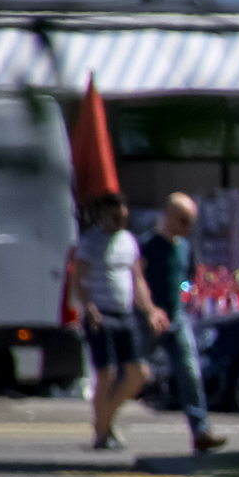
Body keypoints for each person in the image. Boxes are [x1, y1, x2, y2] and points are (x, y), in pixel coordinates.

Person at [71, 192, 168, 451]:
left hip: (125, 314)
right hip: (100, 315)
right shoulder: (90, 241)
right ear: (102, 215)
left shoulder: (128, 241)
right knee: (108, 374)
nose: (118, 220)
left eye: (121, 214)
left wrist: (149, 310)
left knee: (138, 373)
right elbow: (78, 280)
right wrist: (89, 308)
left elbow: (137, 279)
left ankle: (105, 420)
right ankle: (102, 433)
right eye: (112, 215)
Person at [140, 192, 226, 454]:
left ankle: (200, 432)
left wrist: (192, 297)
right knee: (132, 374)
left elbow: (186, 278)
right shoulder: (147, 246)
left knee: (190, 373)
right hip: (149, 319)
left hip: (177, 319)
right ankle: (105, 422)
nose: (187, 227)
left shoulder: (184, 247)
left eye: (191, 222)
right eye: (182, 220)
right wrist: (148, 309)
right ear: (168, 216)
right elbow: (135, 280)